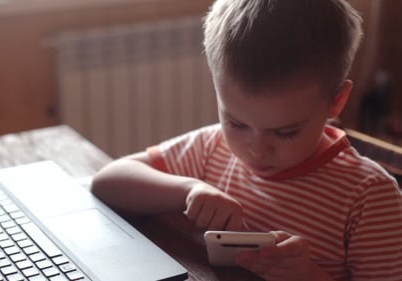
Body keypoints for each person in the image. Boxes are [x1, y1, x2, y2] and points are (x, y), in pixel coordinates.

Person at [90, 0, 402, 280]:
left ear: (336, 102)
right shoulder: (213, 147)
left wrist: (307, 275)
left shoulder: (369, 198)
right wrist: (188, 189)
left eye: (285, 131)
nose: (256, 148)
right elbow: (108, 181)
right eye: (236, 122)